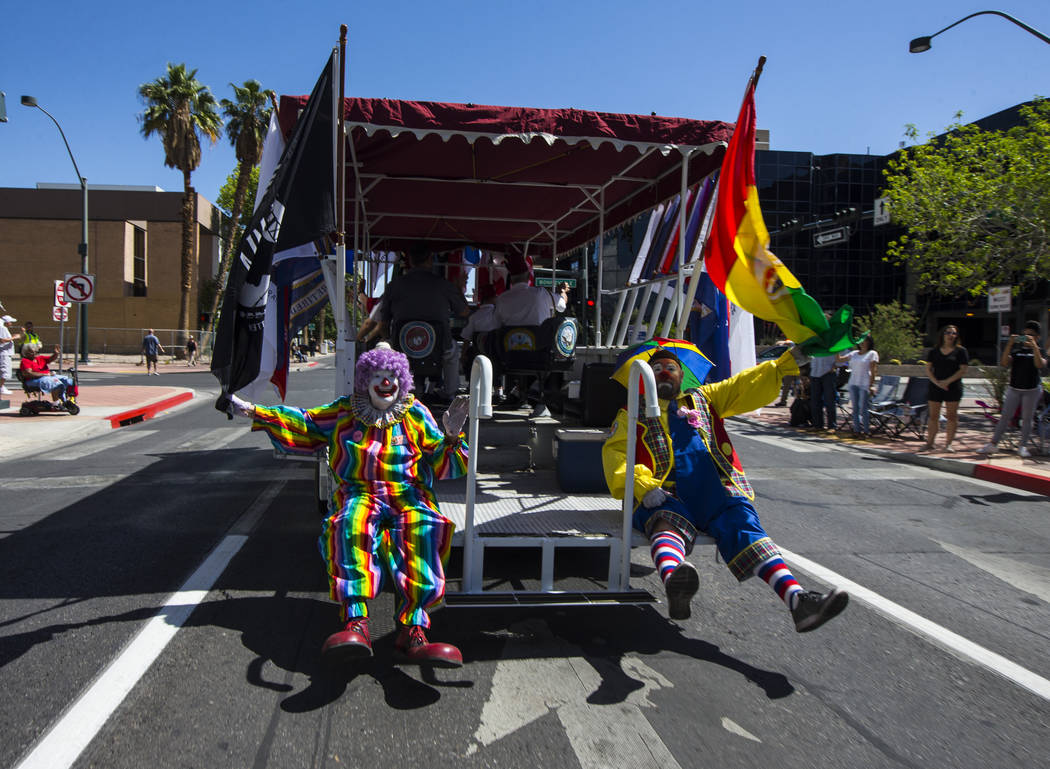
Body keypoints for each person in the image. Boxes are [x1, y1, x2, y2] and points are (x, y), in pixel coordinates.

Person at [216, 344, 470, 666]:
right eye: (377, 375)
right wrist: (251, 411)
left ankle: (414, 630)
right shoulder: (345, 412)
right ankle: (356, 622)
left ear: (402, 379)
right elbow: (304, 422)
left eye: (392, 375)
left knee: (423, 530)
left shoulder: (415, 413)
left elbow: (441, 464)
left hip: (408, 494)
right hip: (360, 492)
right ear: (365, 379)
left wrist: (450, 437)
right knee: (348, 526)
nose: (386, 382)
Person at [602, 346, 849, 632]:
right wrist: (645, 488)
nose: (664, 373)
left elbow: (743, 385)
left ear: (682, 376)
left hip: (716, 492)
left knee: (745, 525)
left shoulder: (705, 399)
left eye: (671, 368)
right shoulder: (631, 412)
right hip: (665, 493)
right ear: (645, 379)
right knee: (665, 523)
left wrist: (785, 364)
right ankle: (673, 581)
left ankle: (798, 600)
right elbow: (617, 454)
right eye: (656, 370)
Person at [381, 244, 470, 400]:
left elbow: (384, 323)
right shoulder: (444, 285)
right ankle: (450, 393)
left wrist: (389, 340)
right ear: (430, 260)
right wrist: (458, 287)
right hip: (440, 346)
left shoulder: (393, 286)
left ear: (410, 260)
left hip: (402, 346)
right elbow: (464, 312)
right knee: (452, 352)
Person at [977, 321, 1047, 459]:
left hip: (1032, 389)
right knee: (1005, 417)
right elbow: (1004, 363)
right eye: (1025, 335)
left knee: (1027, 419)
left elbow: (1040, 364)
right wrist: (1009, 344)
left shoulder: (1040, 351)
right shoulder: (1017, 352)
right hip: (1014, 388)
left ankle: (1023, 446)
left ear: (1037, 337)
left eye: (1031, 336)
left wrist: (1034, 347)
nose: (1026, 338)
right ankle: (993, 444)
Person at [924, 324, 969, 452]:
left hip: (953, 387)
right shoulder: (934, 351)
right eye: (948, 333)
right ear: (942, 335)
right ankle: (929, 443)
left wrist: (947, 382)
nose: (951, 335)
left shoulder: (961, 351)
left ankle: (948, 444)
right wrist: (937, 382)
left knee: (951, 416)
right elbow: (928, 369)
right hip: (935, 386)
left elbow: (963, 370)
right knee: (933, 416)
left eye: (953, 333)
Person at [838, 337, 879, 436]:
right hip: (853, 383)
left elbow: (873, 370)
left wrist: (871, 384)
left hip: (864, 384)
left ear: (869, 343)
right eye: (861, 342)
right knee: (855, 408)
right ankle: (857, 430)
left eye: (865, 342)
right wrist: (837, 348)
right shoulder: (854, 353)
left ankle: (866, 430)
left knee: (863, 408)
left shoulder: (872, 354)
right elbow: (839, 360)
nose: (863, 343)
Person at [808, 350, 838, 432]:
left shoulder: (833, 342)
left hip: (828, 372)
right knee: (815, 401)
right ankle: (817, 425)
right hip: (815, 372)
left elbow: (842, 356)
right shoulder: (815, 342)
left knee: (829, 400)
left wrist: (835, 366)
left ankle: (832, 426)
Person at [0, 314, 21, 396]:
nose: (11, 324)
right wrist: (14, 338)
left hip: (6, 353)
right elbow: (2, 340)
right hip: (4, 354)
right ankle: (1, 387)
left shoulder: (4, 329)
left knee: (5, 371)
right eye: (10, 322)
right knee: (4, 371)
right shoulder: (2, 328)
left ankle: (1, 386)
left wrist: (13, 336)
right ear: (7, 322)